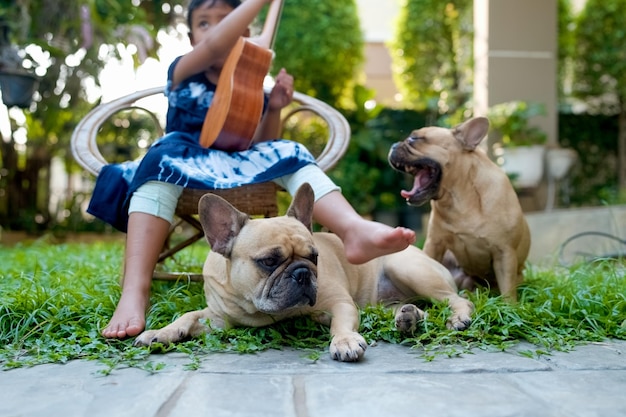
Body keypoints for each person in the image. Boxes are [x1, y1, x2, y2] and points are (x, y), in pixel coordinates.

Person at [90, 0, 416, 339]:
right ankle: (135, 290)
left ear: (246, 36)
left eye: (226, 21)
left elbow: (259, 142)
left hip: (237, 163)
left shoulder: (249, 80)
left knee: (289, 149)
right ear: (190, 37)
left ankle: (352, 230)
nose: (216, 30)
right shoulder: (183, 68)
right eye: (205, 24)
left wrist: (272, 108)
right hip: (185, 158)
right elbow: (217, 43)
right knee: (157, 164)